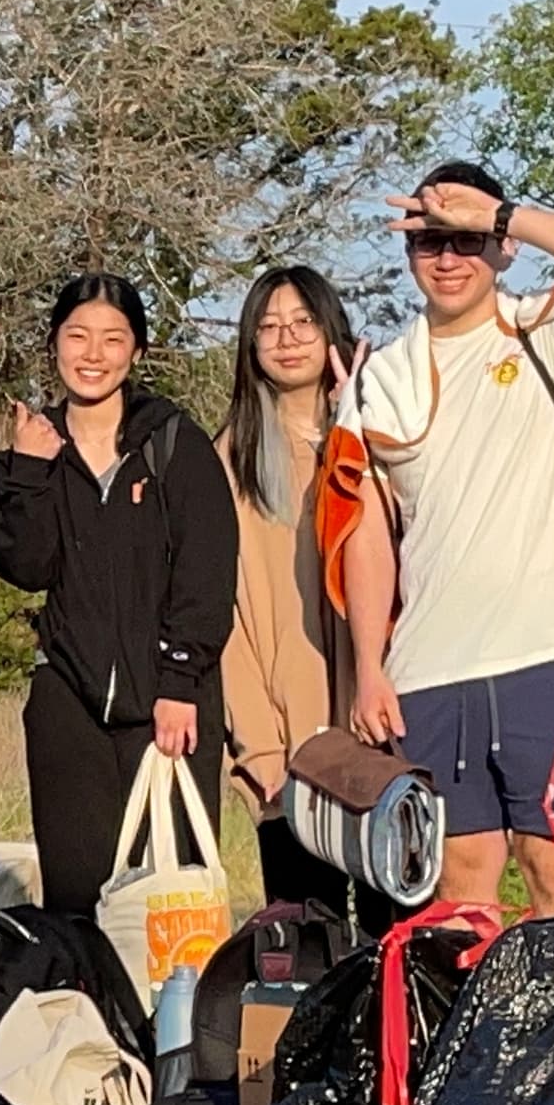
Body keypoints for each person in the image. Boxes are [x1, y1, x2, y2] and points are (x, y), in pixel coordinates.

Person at [324, 164, 554, 916]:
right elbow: (366, 529)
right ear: (407, 252)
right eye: (430, 242)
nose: (448, 259)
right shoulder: (384, 377)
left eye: (467, 240)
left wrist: (507, 213)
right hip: (432, 666)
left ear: (502, 249)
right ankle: (478, 1035)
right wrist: (368, 668)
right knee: (458, 892)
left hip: (552, 650)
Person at [0, 276, 238, 916]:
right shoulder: (31, 448)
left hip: (172, 698)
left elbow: (208, 573)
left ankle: (172, 1020)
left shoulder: (173, 444)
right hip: (69, 699)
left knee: (170, 898)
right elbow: (26, 566)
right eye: (77, 336)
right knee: (77, 899)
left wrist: (180, 680)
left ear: (137, 353)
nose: (92, 355)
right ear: (54, 344)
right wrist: (29, 472)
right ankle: (87, 1015)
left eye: (112, 339)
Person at [218, 266, 374, 923]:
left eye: (302, 322)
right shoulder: (230, 457)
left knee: (394, 946)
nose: (287, 340)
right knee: (307, 945)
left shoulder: (379, 436)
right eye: (268, 326)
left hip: (380, 742)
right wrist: (259, 749)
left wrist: (361, 414)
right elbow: (224, 619)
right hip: (289, 753)